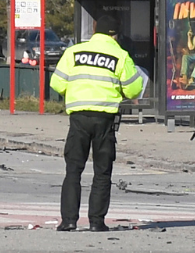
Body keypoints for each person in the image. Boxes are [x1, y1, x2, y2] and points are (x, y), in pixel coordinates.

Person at [48, 20, 146, 232]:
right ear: (115, 36)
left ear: (94, 31)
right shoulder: (120, 56)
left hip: (79, 117)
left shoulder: (74, 52)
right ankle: (96, 221)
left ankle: (69, 221)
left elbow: (56, 83)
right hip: (105, 120)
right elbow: (134, 89)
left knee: (73, 169)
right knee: (102, 171)